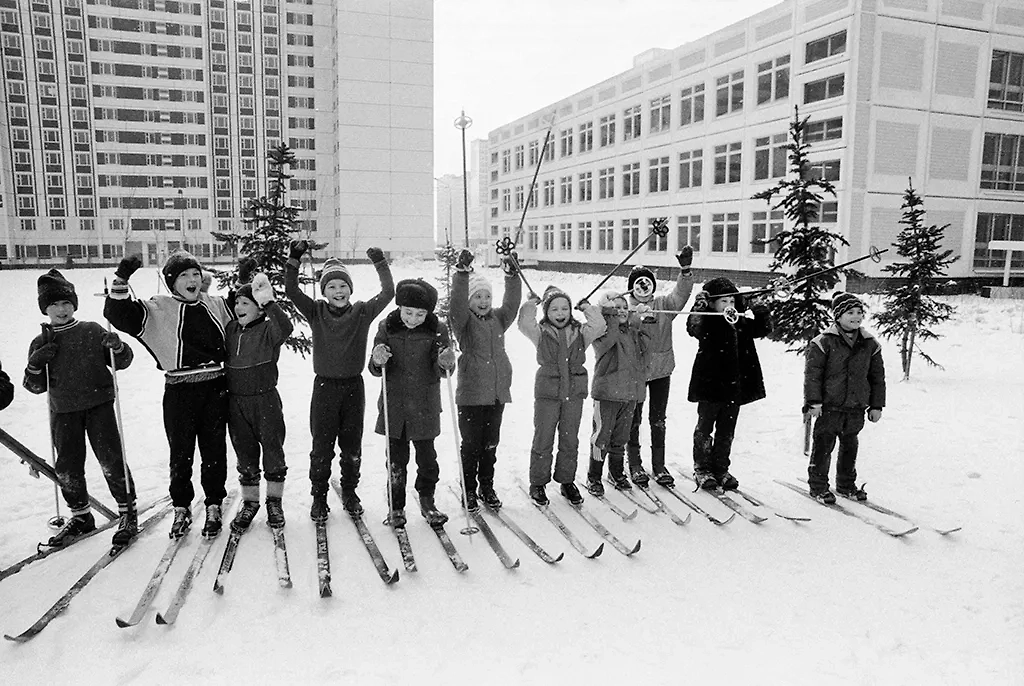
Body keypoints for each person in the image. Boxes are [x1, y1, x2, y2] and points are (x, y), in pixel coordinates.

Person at [105, 250, 233, 539]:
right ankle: (182, 506)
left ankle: (213, 503)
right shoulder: (158, 309)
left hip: (215, 386)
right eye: (185, 275)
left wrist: (248, 280)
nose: (192, 280)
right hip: (178, 391)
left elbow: (245, 308)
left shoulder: (215, 304)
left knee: (214, 449)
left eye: (196, 274)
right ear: (172, 283)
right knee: (181, 451)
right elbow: (120, 314)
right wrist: (122, 277)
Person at [25, 269, 137, 546]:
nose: (61, 310)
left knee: (111, 459)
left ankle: (127, 511)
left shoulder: (91, 330)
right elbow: (35, 386)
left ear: (74, 304)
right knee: (68, 465)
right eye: (53, 305)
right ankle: (81, 515)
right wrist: (36, 363)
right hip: (63, 410)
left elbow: (122, 362)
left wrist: (118, 346)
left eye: (65, 303)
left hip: (98, 404)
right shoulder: (41, 341)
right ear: (45, 309)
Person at [284, 241, 394, 521]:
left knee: (351, 445)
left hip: (353, 389)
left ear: (350, 288)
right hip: (324, 389)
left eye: (342, 286)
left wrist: (380, 262)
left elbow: (388, 292)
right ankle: (319, 496)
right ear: (324, 291)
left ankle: (349, 491)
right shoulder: (315, 312)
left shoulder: (362, 313)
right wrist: (294, 258)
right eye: (331, 286)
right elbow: (292, 291)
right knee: (321, 446)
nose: (338, 291)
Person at [368, 278, 456, 527]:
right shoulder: (387, 325)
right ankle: (396, 507)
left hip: (424, 406)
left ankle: (427, 501)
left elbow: (442, 367)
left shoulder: (436, 328)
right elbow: (375, 366)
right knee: (396, 461)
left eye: (420, 314)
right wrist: (377, 358)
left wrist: (445, 360)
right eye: (408, 312)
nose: (413, 319)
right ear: (399, 308)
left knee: (427, 460)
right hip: (394, 405)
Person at [518, 285, 606, 506]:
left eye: (564, 308)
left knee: (569, 439)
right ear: (546, 312)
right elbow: (524, 323)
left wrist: (587, 307)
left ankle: (567, 481)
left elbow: (600, 325)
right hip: (547, 394)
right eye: (554, 309)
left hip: (573, 394)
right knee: (543, 439)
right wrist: (530, 305)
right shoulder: (540, 333)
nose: (560, 314)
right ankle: (538, 482)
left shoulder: (581, 333)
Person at [449, 249, 522, 510]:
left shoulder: (498, 320)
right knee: (471, 445)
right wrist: (461, 274)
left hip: (496, 394)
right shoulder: (464, 324)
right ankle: (468, 489)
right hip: (471, 396)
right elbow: (456, 304)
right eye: (477, 296)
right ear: (470, 300)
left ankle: (486, 486)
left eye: (487, 296)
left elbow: (512, 304)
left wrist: (512, 275)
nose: (483, 300)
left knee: (490, 444)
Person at [686, 277, 772, 491]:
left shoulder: (740, 323)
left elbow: (762, 329)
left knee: (727, 430)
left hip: (734, 387)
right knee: (705, 428)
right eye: (723, 302)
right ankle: (702, 468)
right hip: (710, 386)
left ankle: (721, 468)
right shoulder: (708, 322)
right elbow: (693, 327)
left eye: (732, 301)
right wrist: (699, 307)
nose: (729, 306)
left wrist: (760, 310)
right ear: (712, 304)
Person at [225, 273, 294, 532]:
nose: (239, 308)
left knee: (273, 450)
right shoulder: (231, 329)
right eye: (237, 303)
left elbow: (285, 327)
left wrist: (269, 302)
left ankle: (274, 501)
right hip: (236, 402)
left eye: (246, 303)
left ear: (259, 309)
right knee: (245, 453)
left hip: (266, 400)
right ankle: (250, 502)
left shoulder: (269, 330)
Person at [804, 292, 885, 503]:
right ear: (838, 316)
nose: (856, 316)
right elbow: (813, 375)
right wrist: (813, 402)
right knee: (823, 446)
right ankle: (819, 486)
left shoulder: (870, 344)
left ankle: (846, 484)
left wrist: (876, 405)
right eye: (850, 312)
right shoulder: (823, 342)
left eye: (859, 312)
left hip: (856, 406)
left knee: (850, 447)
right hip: (829, 406)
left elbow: (877, 378)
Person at [624, 246, 694, 488]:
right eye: (639, 284)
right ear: (632, 287)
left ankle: (659, 464)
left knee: (658, 419)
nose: (643, 288)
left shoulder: (664, 305)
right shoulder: (626, 309)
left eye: (647, 283)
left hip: (662, 371)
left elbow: (681, 295)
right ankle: (633, 462)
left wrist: (685, 271)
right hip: (636, 372)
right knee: (634, 419)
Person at [586, 290, 649, 496]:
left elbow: (646, 353)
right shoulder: (603, 334)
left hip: (629, 394)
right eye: (615, 308)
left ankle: (615, 471)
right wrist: (609, 313)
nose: (621, 311)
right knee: (601, 435)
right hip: (607, 394)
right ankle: (594, 475)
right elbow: (610, 338)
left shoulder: (633, 333)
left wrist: (641, 319)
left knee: (621, 437)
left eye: (624, 307)